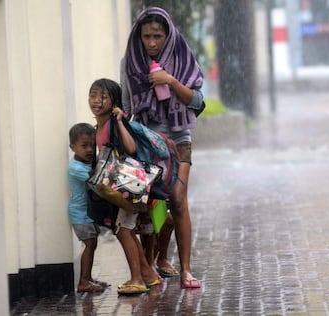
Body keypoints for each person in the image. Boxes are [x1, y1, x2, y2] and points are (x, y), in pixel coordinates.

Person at [121, 7, 205, 288]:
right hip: (147, 144)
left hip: (179, 141)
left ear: (168, 35)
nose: (152, 42)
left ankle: (187, 270)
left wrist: (169, 80)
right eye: (147, 36)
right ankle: (153, 263)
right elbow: (127, 107)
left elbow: (197, 103)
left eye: (157, 36)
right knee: (150, 207)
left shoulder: (182, 57)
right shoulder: (131, 62)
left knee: (178, 200)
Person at [88, 78, 161, 295]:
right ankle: (148, 275)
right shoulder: (99, 125)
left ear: (114, 101)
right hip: (117, 190)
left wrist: (119, 121)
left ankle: (137, 279)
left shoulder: (113, 123)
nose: (97, 101)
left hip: (127, 187)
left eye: (103, 97)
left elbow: (130, 147)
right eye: (93, 95)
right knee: (124, 230)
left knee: (124, 231)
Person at [68, 123, 110, 293]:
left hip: (87, 213)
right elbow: (97, 182)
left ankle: (88, 278)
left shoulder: (86, 163)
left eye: (92, 145)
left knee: (92, 244)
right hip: (80, 214)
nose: (90, 150)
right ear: (72, 147)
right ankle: (83, 281)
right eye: (84, 146)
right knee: (90, 244)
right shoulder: (76, 168)